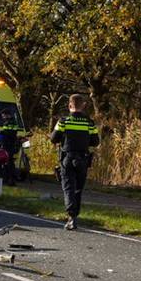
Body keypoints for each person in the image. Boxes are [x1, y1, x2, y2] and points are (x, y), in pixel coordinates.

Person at [50, 94, 101, 230]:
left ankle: (71, 216)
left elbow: (53, 138)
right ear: (83, 105)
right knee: (78, 189)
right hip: (83, 159)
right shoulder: (89, 123)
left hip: (67, 158)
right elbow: (95, 142)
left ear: (69, 105)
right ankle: (74, 217)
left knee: (68, 188)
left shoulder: (63, 121)